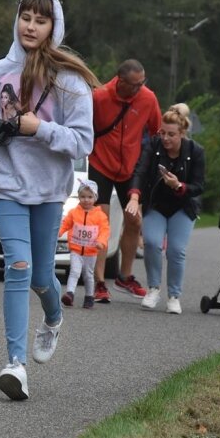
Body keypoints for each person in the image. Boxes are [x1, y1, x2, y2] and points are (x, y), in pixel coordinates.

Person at [0, 0, 99, 400]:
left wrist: (39, 129)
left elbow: (83, 142)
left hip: (48, 189)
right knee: (19, 267)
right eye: (25, 17)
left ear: (53, 27)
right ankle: (16, 365)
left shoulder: (70, 81)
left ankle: (53, 316)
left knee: (43, 276)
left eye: (40, 20)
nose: (30, 26)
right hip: (6, 181)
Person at [88, 59, 162, 303]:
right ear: (120, 81)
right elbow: (84, 127)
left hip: (130, 167)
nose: (139, 88)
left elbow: (156, 134)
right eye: (135, 84)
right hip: (101, 164)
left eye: (143, 83)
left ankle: (125, 276)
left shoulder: (148, 99)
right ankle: (99, 282)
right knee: (101, 222)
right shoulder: (99, 97)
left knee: (134, 220)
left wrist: (149, 165)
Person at [126, 106, 205, 314]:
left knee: (176, 250)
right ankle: (153, 289)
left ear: (182, 134)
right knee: (151, 242)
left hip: (183, 206)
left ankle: (174, 296)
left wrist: (179, 186)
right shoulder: (153, 146)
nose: (166, 138)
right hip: (157, 204)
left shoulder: (195, 151)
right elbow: (141, 171)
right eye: (163, 133)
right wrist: (135, 196)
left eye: (171, 134)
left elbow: (199, 186)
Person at [58, 179, 110, 309]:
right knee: (74, 271)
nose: (86, 200)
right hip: (75, 249)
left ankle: (89, 296)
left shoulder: (100, 215)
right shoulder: (74, 212)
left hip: (91, 251)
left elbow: (105, 230)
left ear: (95, 198)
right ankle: (69, 294)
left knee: (88, 275)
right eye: (82, 197)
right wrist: (57, 233)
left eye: (90, 197)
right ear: (79, 197)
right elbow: (65, 224)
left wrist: (101, 242)